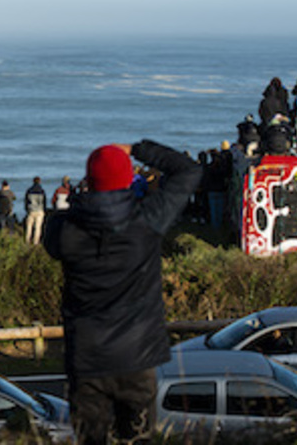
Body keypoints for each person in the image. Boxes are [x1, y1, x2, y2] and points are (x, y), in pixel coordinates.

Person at [43, 141, 200, 445]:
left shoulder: (65, 232)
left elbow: (55, 226)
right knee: (138, 439)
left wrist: (78, 200)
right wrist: (139, 149)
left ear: (89, 181)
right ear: (128, 179)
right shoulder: (147, 221)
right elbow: (188, 170)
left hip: (87, 358)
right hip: (137, 356)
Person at [24, 177, 46, 245]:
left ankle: (27, 240)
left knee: (29, 226)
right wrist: (44, 210)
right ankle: (35, 241)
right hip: (39, 210)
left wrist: (27, 209)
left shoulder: (29, 190)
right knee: (38, 227)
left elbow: (26, 201)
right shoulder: (42, 191)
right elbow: (44, 202)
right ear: (39, 182)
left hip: (31, 210)